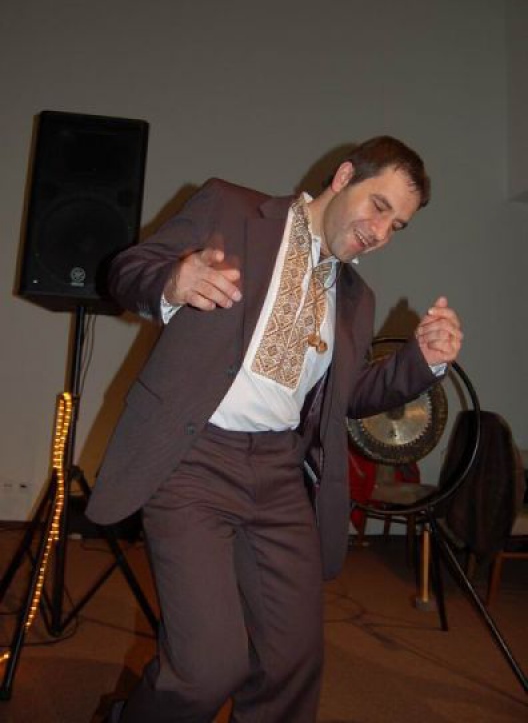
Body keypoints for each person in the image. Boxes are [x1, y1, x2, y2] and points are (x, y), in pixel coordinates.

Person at [87, 135, 463, 723]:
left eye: (397, 226)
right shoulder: (231, 209)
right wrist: (173, 280)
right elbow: (126, 270)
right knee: (207, 669)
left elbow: (347, 398)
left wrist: (423, 362)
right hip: (194, 461)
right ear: (344, 176)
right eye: (379, 206)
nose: (380, 232)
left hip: (280, 476)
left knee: (292, 665)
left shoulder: (355, 297)